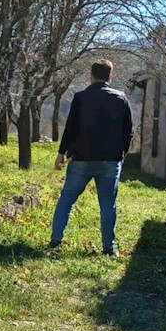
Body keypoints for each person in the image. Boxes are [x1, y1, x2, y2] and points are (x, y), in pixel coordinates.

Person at [49, 59, 134, 256]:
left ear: (91, 75)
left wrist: (61, 154)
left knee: (67, 199)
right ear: (110, 76)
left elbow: (70, 128)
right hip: (110, 160)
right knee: (107, 205)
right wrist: (122, 154)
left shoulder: (80, 97)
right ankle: (109, 248)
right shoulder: (120, 98)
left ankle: (56, 240)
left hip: (81, 158)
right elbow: (128, 131)